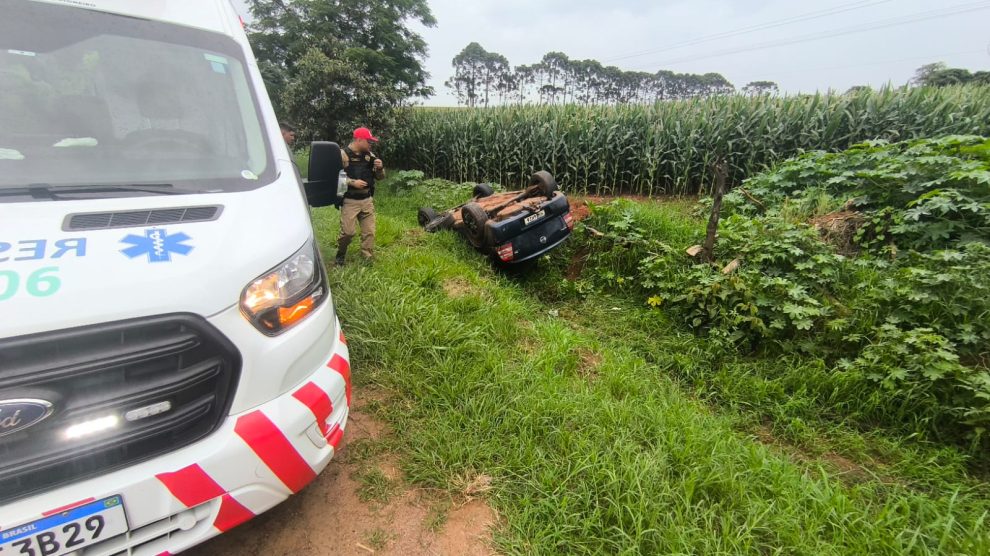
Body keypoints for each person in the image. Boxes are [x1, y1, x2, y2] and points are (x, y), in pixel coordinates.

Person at [336, 127, 385, 265]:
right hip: (350, 200)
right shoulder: (342, 155)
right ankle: (340, 254)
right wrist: (352, 182)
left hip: (367, 199)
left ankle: (367, 257)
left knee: (369, 232)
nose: (371, 144)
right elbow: (334, 178)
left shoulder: (370, 155)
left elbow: (380, 177)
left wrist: (380, 168)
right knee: (348, 233)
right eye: (369, 141)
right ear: (359, 140)